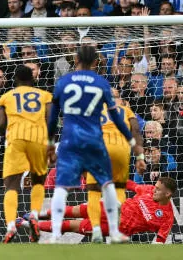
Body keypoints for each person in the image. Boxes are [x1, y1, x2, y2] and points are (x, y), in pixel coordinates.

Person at [47, 46, 144, 244]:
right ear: (95, 62)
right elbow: (117, 117)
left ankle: (56, 234)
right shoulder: (101, 83)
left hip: (71, 139)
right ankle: (114, 231)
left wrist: (50, 143)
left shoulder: (64, 81)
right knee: (108, 186)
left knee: (62, 188)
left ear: (76, 60)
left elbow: (53, 115)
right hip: (95, 141)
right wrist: (133, 143)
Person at [22, 177, 176, 244]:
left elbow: (160, 242)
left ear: (167, 194)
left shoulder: (167, 218)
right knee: (76, 210)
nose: (153, 190)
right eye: (154, 187)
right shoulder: (148, 190)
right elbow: (130, 185)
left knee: (73, 225)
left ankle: (27, 223)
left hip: (116, 228)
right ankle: (39, 214)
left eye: (158, 189)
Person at [0, 65, 52, 243]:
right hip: (38, 139)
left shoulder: (6, 97)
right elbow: (52, 120)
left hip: (16, 140)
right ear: (32, 79)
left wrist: (11, 124)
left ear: (15, 80)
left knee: (11, 185)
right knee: (38, 180)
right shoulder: (45, 95)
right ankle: (34, 215)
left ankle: (11, 225)